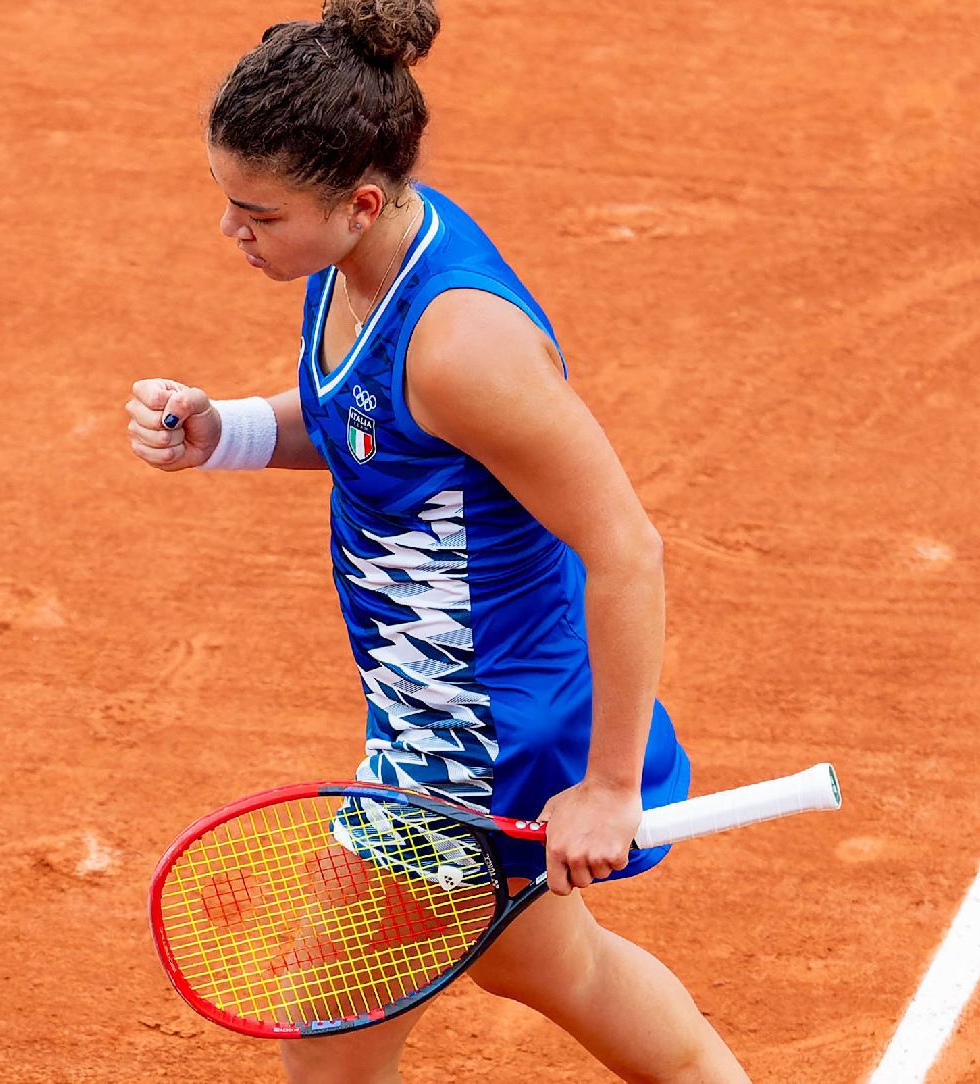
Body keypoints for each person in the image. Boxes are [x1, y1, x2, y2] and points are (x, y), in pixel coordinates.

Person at [126, 2, 750, 1081]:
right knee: (553, 969)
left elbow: (626, 548)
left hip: (471, 750)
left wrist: (607, 786)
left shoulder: (465, 344)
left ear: (358, 201)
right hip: (438, 706)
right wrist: (223, 432)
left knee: (322, 1045)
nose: (234, 233)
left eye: (257, 215)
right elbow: (371, 426)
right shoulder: (359, 256)